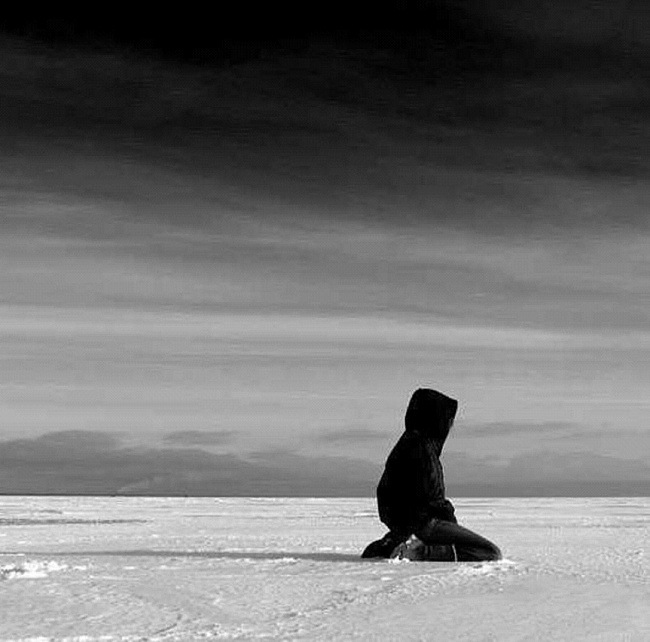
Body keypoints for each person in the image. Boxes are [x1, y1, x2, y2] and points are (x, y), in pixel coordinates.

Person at [362, 388, 502, 562]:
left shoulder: (409, 444)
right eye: (448, 421)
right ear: (435, 419)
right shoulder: (422, 450)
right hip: (425, 523)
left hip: (410, 524)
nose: (450, 427)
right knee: (490, 552)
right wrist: (447, 521)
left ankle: (394, 543)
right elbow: (432, 497)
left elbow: (385, 492)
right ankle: (418, 551)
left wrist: (400, 525)